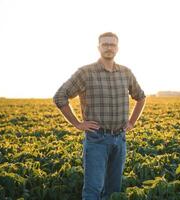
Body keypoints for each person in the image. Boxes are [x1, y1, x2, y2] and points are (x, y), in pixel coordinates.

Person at [53, 32, 146, 200]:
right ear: (98, 48)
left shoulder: (126, 72)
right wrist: (77, 123)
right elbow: (60, 96)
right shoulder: (86, 72)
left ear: (117, 48)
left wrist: (132, 122)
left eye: (112, 44)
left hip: (120, 139)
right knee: (93, 190)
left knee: (113, 190)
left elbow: (141, 97)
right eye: (105, 44)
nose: (109, 47)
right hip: (97, 139)